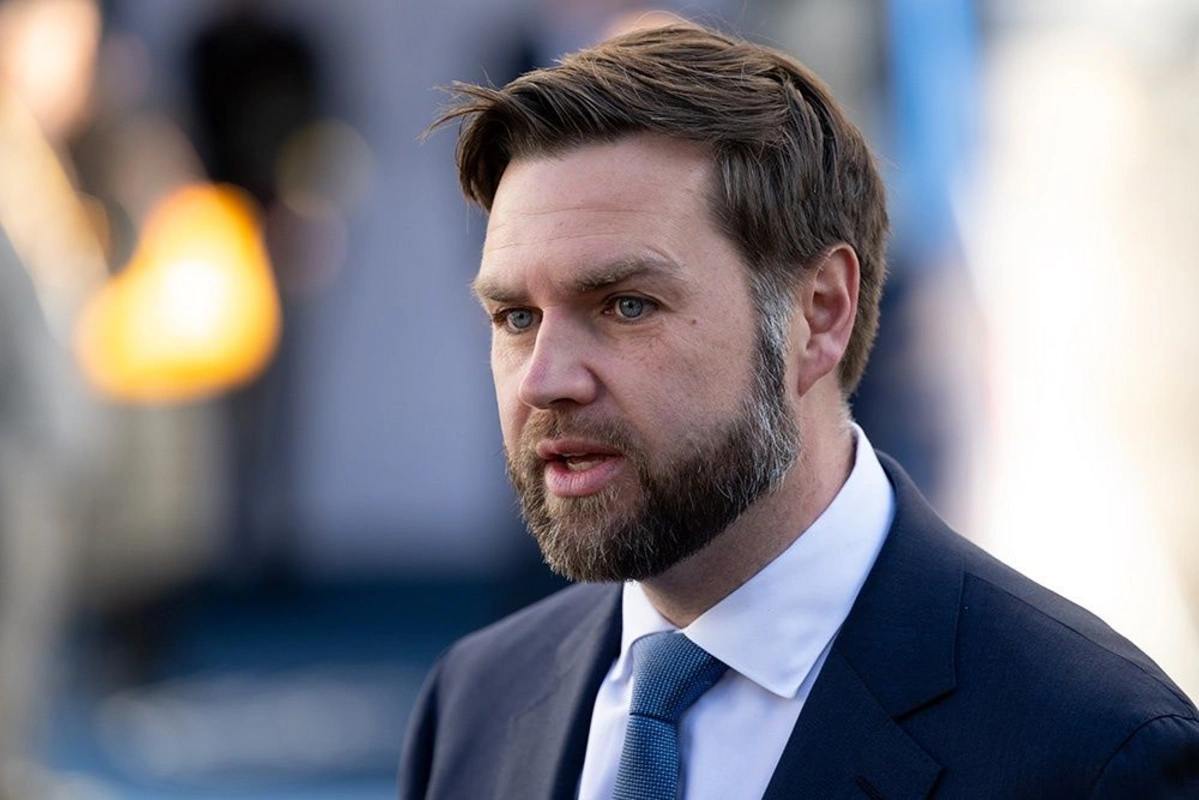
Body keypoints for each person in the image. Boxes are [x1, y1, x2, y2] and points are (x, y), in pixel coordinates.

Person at [400, 23, 1199, 799]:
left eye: (626, 305)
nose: (544, 380)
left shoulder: (1093, 751)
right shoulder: (474, 703)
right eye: (515, 317)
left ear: (818, 314)